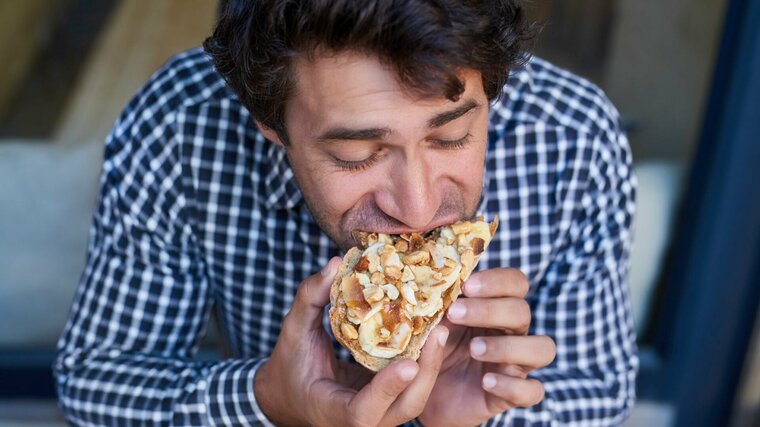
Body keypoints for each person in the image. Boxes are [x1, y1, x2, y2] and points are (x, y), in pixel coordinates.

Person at [54, 0, 638, 425]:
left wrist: (481, 415)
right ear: (271, 127)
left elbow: (598, 391)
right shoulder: (180, 127)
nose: (418, 208)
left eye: (453, 136)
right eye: (356, 154)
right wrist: (265, 398)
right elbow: (97, 381)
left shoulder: (573, 139)